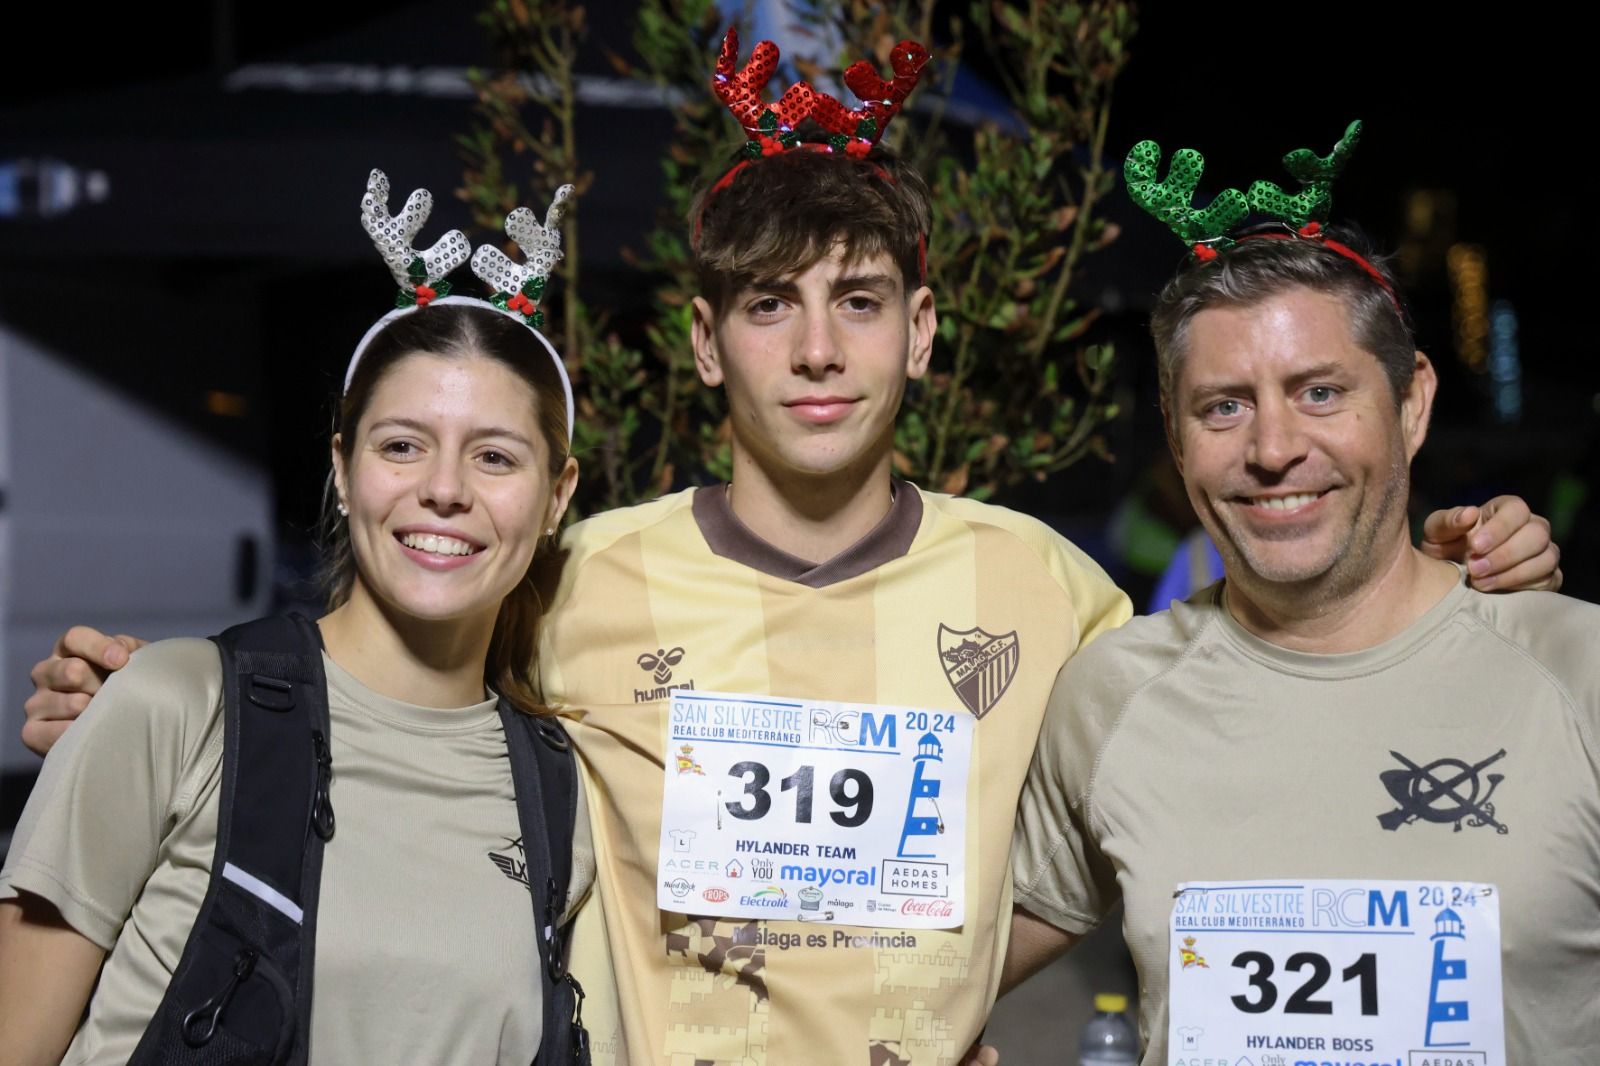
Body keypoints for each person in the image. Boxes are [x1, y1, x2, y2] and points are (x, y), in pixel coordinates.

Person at [19, 69, 1562, 1066]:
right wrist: (169, 708)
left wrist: (1460, 568)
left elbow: (1248, 690)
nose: (819, 348)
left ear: (926, 331)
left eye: (862, 300)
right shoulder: (573, 581)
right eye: (769, 307)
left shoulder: (1046, 590)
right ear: (703, 343)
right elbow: (381, 686)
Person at [1008, 131, 1595, 1064]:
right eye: (1225, 406)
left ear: (1411, 405)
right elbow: (931, 968)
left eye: (1320, 392)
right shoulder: (1112, 693)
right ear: (1174, 430)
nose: (1273, 448)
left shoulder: (1576, 673)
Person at [0, 172, 591, 1065]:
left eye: (496, 457)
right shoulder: (178, 707)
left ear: (557, 498)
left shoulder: (559, 797)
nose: (443, 489)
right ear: (344, 468)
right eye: (402, 445)